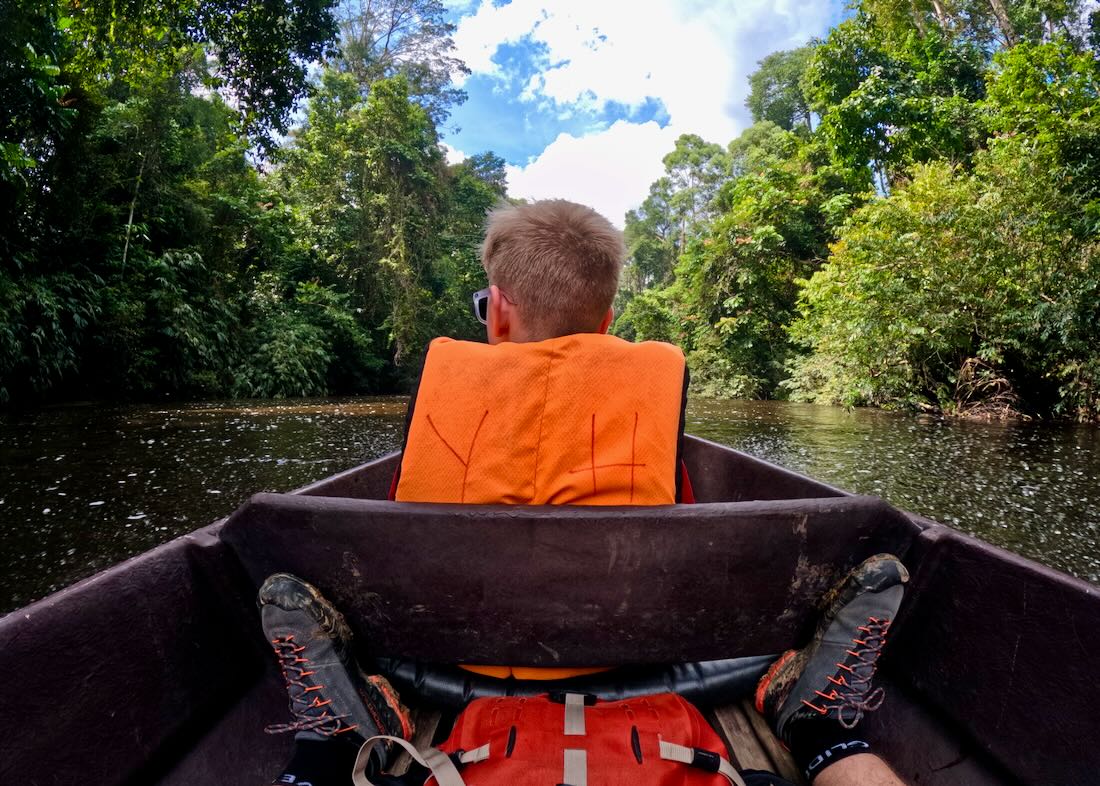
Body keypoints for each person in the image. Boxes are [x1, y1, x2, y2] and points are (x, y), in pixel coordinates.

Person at [262, 200, 907, 786]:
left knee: (342, 643)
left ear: (499, 308)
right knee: (773, 646)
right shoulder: (654, 386)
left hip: (444, 665)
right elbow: (679, 520)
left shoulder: (441, 384)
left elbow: (398, 519)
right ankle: (822, 730)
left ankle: (337, 736)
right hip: (631, 667)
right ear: (606, 321)